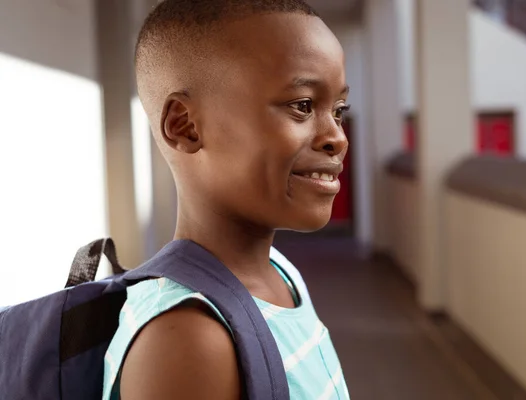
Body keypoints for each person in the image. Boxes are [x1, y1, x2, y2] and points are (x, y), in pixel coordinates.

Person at [101, 0, 351, 399]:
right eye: (302, 106)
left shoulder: (279, 272)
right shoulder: (191, 337)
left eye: (338, 110)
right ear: (186, 127)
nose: (337, 137)